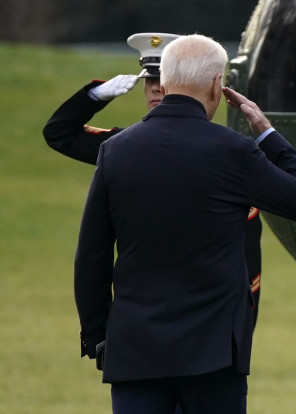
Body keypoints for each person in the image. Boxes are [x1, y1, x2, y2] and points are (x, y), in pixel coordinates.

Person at [73, 34, 296, 413]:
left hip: (134, 350)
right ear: (216, 84)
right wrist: (266, 133)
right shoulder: (234, 151)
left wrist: (98, 337)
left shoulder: (116, 151)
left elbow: (91, 256)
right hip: (213, 354)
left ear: (166, 82)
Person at [43, 33, 265, 326]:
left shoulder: (233, 155)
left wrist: (242, 327)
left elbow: (248, 259)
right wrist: (95, 96)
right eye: (150, 81)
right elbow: (59, 134)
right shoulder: (121, 149)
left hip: (208, 318)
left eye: (166, 80)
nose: (157, 89)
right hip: (143, 315)